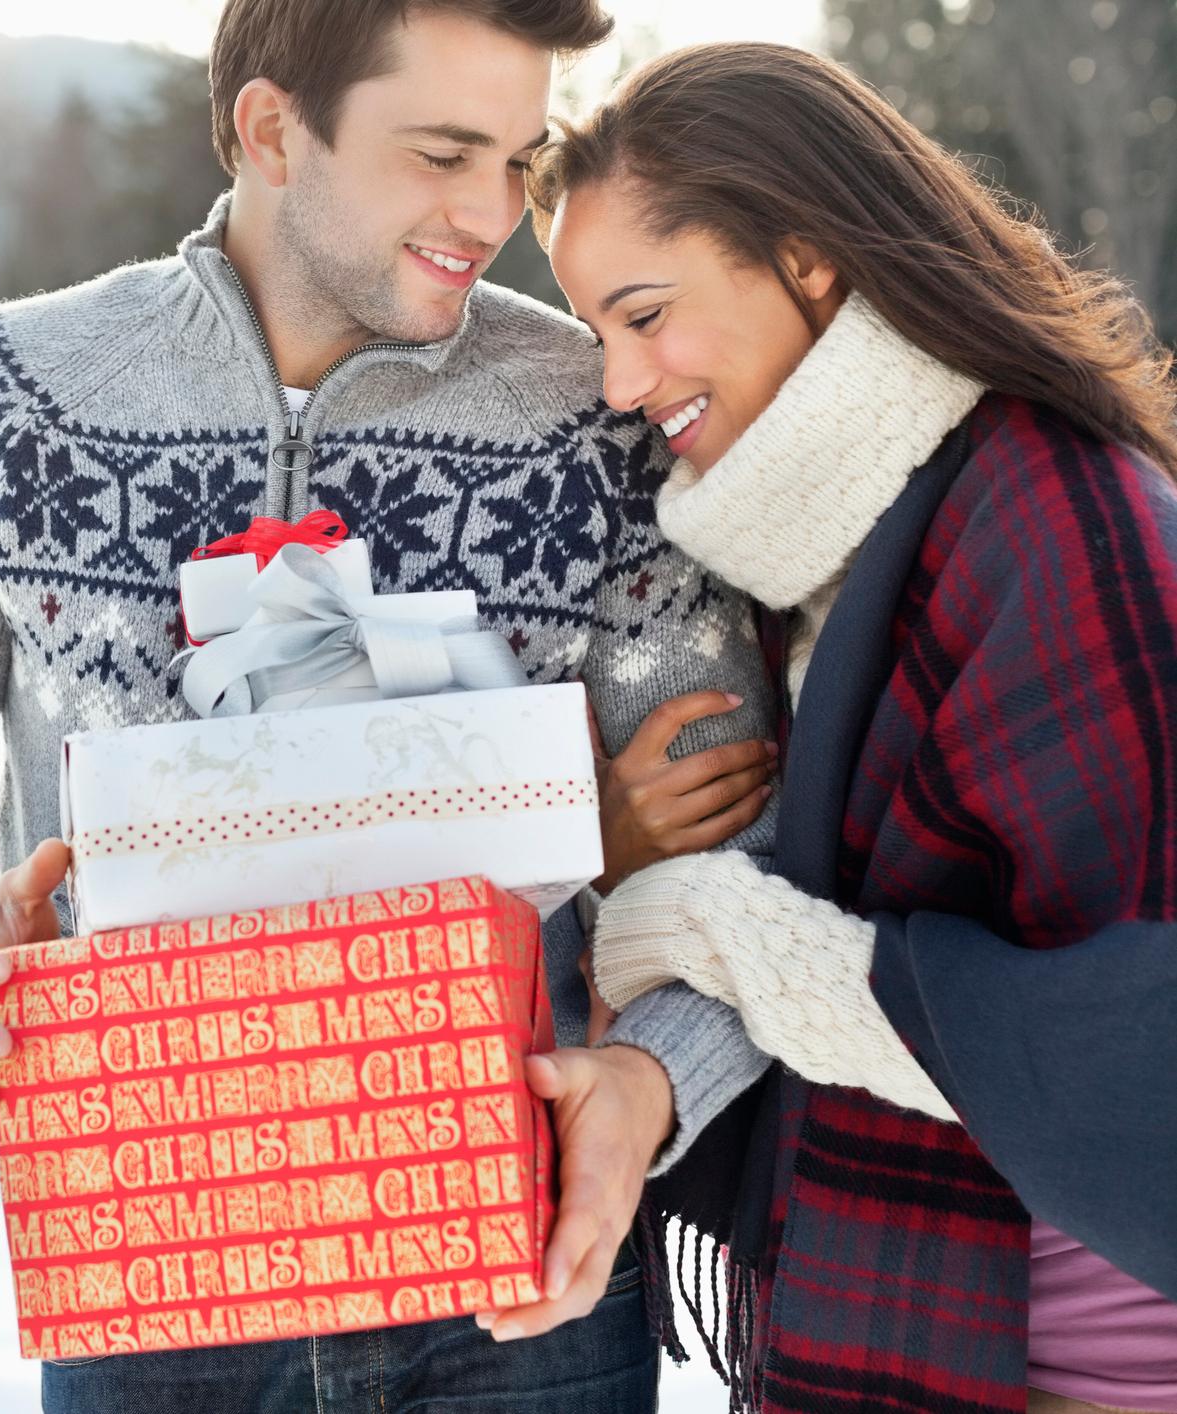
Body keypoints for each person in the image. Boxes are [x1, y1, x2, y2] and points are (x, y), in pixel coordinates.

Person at [0, 1, 782, 1407]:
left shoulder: (592, 421)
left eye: (517, 158)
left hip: (521, 1282)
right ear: (270, 131)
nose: (489, 212)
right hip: (148, 1280)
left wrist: (650, 1082)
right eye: (440, 153)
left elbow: (750, 839)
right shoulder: (7, 402)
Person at [532, 41, 1177, 1414]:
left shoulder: (1051, 513)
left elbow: (1130, 1046)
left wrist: (710, 922)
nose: (617, 383)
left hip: (1082, 1367)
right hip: (911, 1336)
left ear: (809, 255)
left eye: (643, 315)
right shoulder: (825, 544)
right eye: (595, 333)